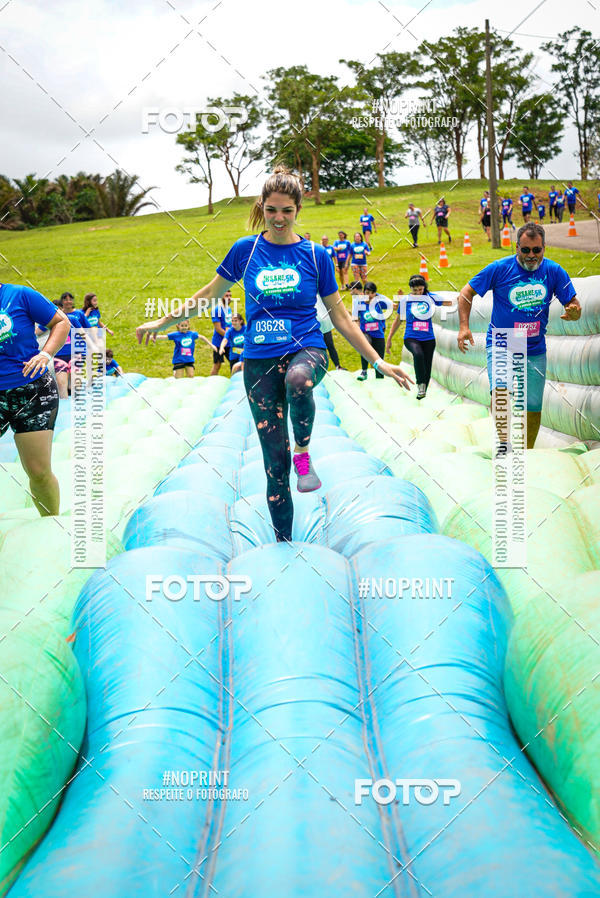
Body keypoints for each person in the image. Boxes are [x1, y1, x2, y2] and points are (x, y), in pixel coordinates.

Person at [136, 166, 412, 543]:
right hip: (259, 362)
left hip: (306, 349)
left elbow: (340, 316)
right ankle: (284, 543)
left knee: (298, 382)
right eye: (271, 210)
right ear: (261, 208)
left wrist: (379, 361)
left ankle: (304, 452)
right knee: (273, 467)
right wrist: (162, 323)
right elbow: (208, 295)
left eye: (287, 210)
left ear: (298, 209)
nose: (279, 218)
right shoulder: (245, 251)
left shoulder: (315, 256)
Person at [457, 222, 581, 449]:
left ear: (544, 248)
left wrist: (574, 312)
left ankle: (528, 452)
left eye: (536, 250)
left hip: (534, 346)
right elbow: (466, 293)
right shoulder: (499, 268)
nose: (531, 255)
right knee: (502, 392)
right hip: (503, 340)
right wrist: (464, 326)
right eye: (525, 250)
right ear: (516, 248)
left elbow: (573, 303)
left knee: (533, 406)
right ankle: (505, 444)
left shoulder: (554, 271)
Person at [0, 283, 69, 515]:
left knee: (38, 471)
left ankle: (51, 525)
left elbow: (61, 322)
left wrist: (46, 353)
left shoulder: (19, 295)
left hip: (32, 392)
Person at [386, 274, 453, 400]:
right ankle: (420, 385)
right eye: (415, 290)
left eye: (420, 290)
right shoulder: (406, 300)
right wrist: (389, 339)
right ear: (411, 289)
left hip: (428, 338)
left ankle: (423, 393)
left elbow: (448, 302)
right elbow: (398, 320)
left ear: (424, 288)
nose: (418, 292)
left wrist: (463, 298)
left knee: (427, 367)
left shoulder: (429, 297)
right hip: (411, 337)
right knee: (418, 355)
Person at [47, 293, 92, 399]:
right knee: (62, 385)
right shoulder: (48, 321)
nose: (57, 312)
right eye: (54, 310)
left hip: (75, 355)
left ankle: (80, 407)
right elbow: (36, 332)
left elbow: (83, 334)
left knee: (76, 385)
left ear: (62, 309)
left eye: (59, 310)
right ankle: (66, 411)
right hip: (59, 356)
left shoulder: (72, 319)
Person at [351, 281, 389, 382]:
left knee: (379, 358)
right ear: (363, 293)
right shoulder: (359, 302)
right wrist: (358, 330)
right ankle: (364, 371)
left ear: (375, 294)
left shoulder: (379, 302)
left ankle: (379, 378)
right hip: (365, 332)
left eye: (372, 293)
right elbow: (355, 318)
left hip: (378, 333)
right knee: (365, 345)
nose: (369, 295)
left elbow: (392, 306)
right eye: (367, 292)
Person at [209, 289, 233, 375]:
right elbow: (218, 329)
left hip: (229, 343)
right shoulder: (217, 310)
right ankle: (211, 384)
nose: (229, 298)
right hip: (219, 343)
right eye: (226, 296)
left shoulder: (228, 309)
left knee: (234, 363)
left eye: (230, 296)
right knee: (217, 365)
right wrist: (230, 337)